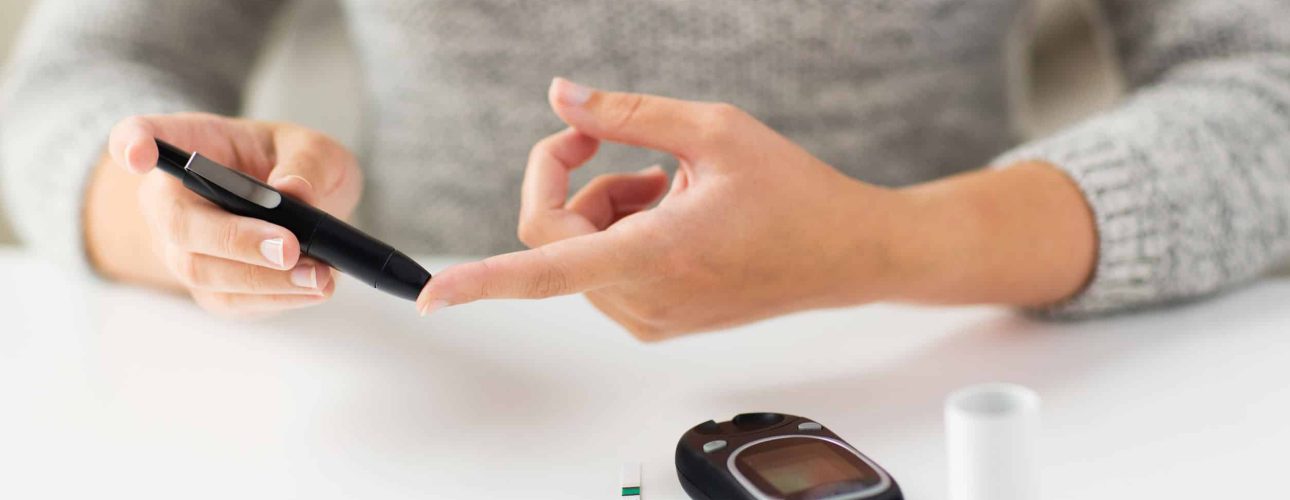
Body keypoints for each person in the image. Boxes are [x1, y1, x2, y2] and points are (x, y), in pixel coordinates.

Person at [2, 1, 1287, 340]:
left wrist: (887, 242)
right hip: (438, 397)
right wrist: (169, 217)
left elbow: (1263, 81)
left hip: (942, 368)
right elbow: (84, 71)